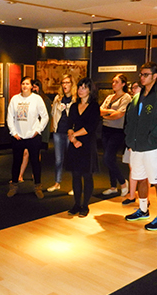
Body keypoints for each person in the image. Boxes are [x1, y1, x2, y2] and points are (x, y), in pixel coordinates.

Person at [124, 62, 157, 231]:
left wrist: (152, 140)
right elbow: (130, 121)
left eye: (145, 75)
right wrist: (130, 140)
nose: (142, 78)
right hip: (136, 147)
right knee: (140, 177)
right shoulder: (137, 98)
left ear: (155, 76)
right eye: (141, 75)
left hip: (153, 148)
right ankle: (143, 209)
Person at [7, 76, 49, 199]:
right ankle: (14, 186)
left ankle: (37, 187)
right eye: (23, 83)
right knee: (16, 162)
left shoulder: (37, 99)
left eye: (27, 84)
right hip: (18, 137)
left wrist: (38, 130)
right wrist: (13, 132)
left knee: (35, 163)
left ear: (32, 86)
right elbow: (10, 117)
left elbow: (45, 116)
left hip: (33, 137)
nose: (25, 86)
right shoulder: (15, 99)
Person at [66, 77, 100, 218]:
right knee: (75, 174)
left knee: (87, 175)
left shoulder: (94, 106)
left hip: (87, 143)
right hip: (75, 143)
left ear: (90, 90)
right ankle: (76, 204)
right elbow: (69, 124)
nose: (81, 90)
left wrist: (75, 136)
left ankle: (85, 205)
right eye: (80, 87)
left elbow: (91, 127)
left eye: (84, 87)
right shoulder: (74, 106)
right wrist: (72, 138)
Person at [100, 74, 131, 196]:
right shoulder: (109, 97)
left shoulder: (126, 97)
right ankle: (113, 186)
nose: (114, 84)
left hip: (117, 131)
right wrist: (109, 112)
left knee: (107, 158)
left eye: (116, 82)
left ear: (123, 84)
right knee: (110, 159)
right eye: (113, 82)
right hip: (105, 129)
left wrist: (107, 114)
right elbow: (100, 110)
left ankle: (123, 183)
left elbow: (119, 115)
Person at [16, 79, 51, 183]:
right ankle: (20, 175)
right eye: (33, 86)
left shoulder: (44, 100)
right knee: (25, 153)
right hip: (26, 132)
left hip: (39, 133)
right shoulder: (23, 99)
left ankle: (35, 174)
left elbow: (46, 118)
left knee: (35, 155)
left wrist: (42, 134)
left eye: (36, 86)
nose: (34, 88)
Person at [47, 74, 76, 194]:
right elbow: (53, 113)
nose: (65, 85)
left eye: (67, 82)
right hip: (58, 132)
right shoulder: (58, 98)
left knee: (73, 159)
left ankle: (75, 186)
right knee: (58, 160)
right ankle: (57, 183)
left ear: (72, 84)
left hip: (71, 133)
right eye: (63, 83)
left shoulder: (76, 99)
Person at [122, 81, 146, 205]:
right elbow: (128, 123)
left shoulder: (147, 103)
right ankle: (132, 195)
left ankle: (144, 199)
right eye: (132, 87)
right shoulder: (132, 104)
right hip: (131, 141)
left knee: (142, 171)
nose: (133, 89)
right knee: (132, 168)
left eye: (136, 87)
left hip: (142, 143)